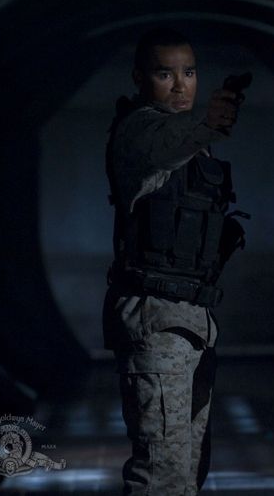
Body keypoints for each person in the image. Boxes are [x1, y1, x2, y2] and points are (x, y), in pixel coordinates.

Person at [103, 27, 247, 495]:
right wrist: (207, 123)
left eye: (189, 72)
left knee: (187, 473)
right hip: (156, 319)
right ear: (140, 79)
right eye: (166, 74)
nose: (181, 85)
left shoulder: (192, 141)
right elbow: (164, 142)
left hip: (193, 321)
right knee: (160, 474)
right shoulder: (140, 130)